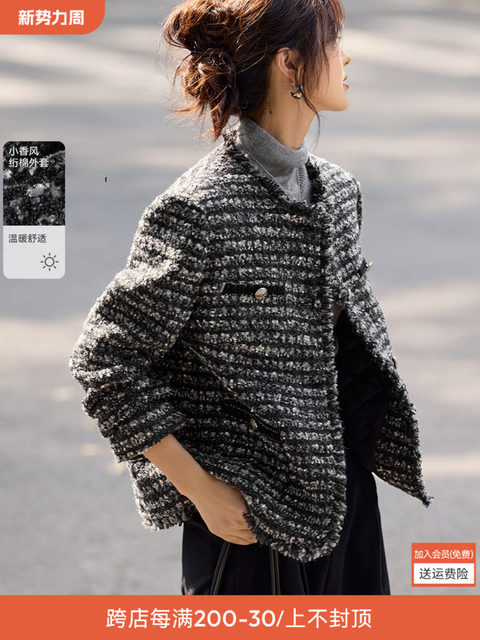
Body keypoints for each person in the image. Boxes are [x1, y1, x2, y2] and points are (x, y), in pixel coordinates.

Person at [69, 0, 433, 596]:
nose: (346, 57)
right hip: (249, 524)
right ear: (289, 63)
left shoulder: (339, 193)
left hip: (344, 505)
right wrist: (201, 490)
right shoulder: (197, 209)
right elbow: (106, 359)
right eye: (333, 41)